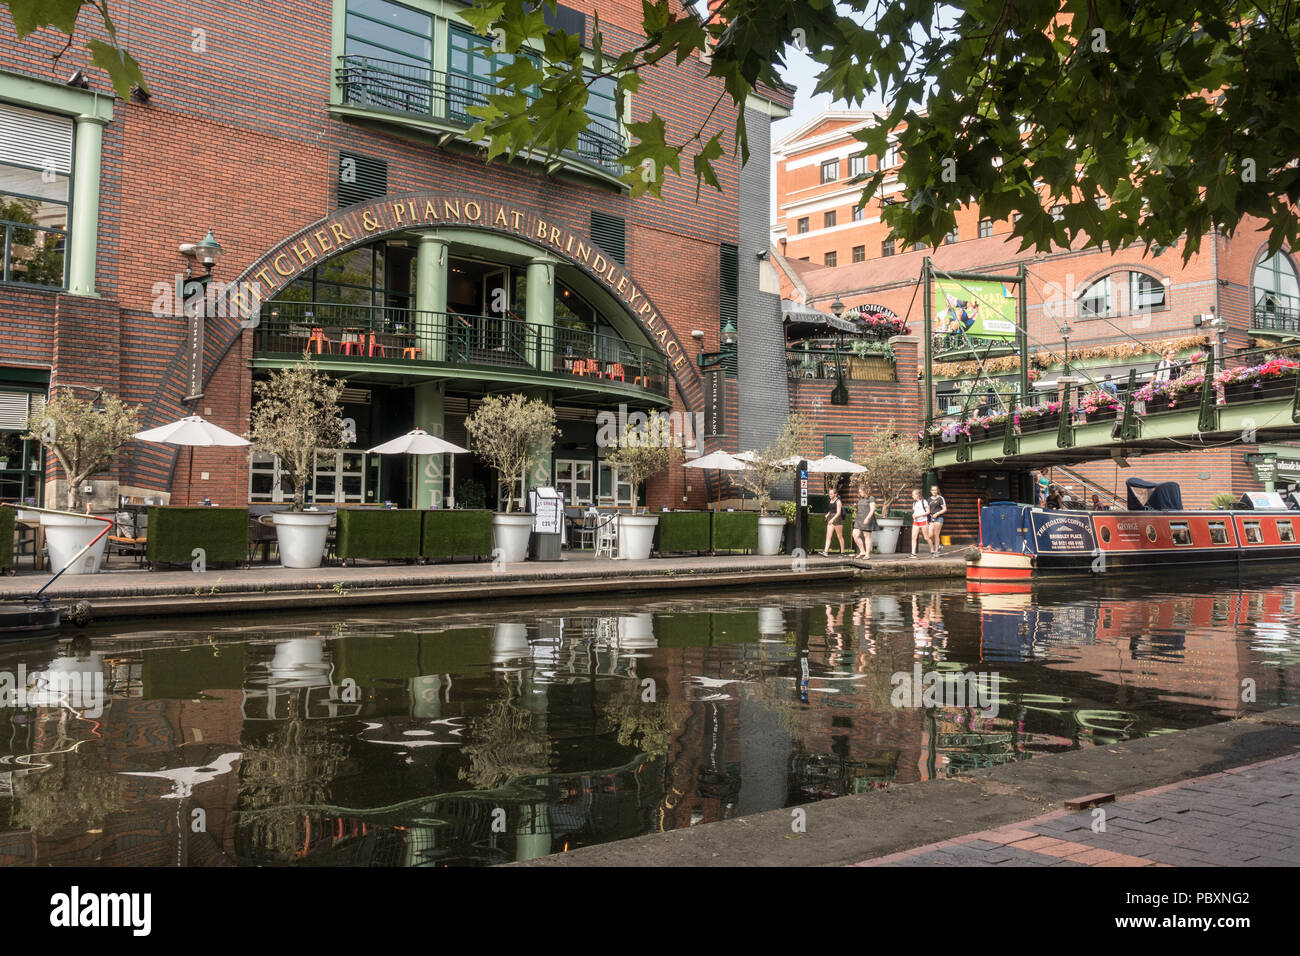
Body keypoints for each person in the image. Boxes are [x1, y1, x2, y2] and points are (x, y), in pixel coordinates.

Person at [821, 487, 846, 556]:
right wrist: (827, 515)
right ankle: (825, 551)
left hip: (837, 519)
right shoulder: (830, 501)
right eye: (829, 494)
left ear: (835, 494)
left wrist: (832, 519)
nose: (830, 495)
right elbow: (831, 510)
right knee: (828, 535)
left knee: (839, 536)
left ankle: (843, 552)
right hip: (831, 518)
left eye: (831, 494)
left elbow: (838, 513)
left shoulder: (838, 501)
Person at [853, 494, 878, 559]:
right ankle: (862, 551)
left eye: (860, 491)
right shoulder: (861, 498)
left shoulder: (871, 498)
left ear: (865, 490)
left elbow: (872, 510)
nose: (859, 492)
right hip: (859, 519)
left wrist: (867, 518)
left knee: (866, 536)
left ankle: (867, 555)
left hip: (867, 518)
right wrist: (856, 506)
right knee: (855, 534)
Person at [926, 484, 947, 555]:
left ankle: (936, 551)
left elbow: (944, 509)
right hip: (931, 519)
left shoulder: (940, 498)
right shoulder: (929, 499)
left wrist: (937, 514)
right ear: (930, 491)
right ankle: (938, 546)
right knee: (930, 535)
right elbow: (927, 510)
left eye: (935, 490)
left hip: (939, 518)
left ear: (937, 491)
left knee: (936, 534)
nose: (934, 491)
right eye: (933, 490)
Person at [910, 488, 929, 557]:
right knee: (913, 537)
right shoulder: (914, 503)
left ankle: (933, 550)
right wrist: (913, 515)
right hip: (916, 522)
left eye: (913, 495)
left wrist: (919, 515)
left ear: (918, 495)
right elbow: (914, 512)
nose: (912, 496)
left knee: (926, 538)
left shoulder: (924, 502)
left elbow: (928, 512)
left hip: (923, 521)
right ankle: (913, 553)